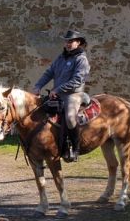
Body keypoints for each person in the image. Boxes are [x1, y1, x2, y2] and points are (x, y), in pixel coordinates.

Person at [32, 30, 92, 162]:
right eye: (66, 41)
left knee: (70, 118)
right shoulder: (61, 58)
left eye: (71, 41)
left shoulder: (81, 59)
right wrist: (38, 86)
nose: (68, 44)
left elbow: (77, 80)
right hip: (58, 94)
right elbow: (49, 73)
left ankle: (75, 148)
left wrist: (58, 89)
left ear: (78, 42)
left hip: (74, 94)